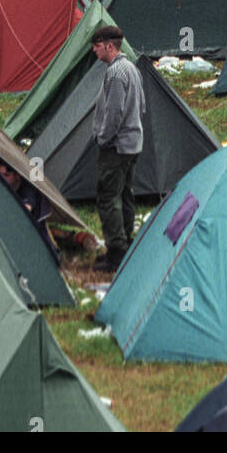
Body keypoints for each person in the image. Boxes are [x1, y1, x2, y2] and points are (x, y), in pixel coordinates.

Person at [90, 24, 145, 273]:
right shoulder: (132, 68)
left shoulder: (115, 74)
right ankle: (128, 247)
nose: (94, 50)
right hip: (134, 143)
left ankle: (116, 254)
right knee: (125, 194)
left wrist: (104, 138)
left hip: (117, 146)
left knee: (108, 197)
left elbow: (114, 113)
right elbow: (141, 105)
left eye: (97, 45)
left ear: (109, 46)